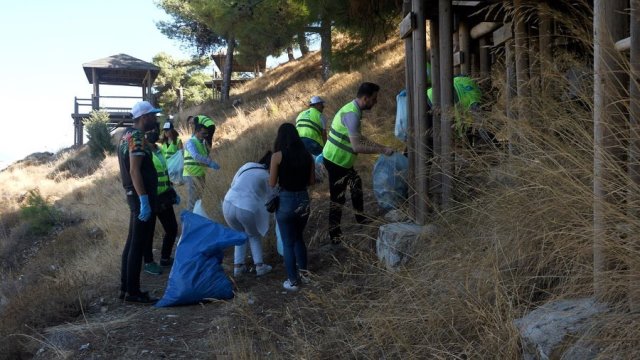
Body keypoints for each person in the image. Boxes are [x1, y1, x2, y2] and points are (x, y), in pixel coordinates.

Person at [322, 82, 393, 244]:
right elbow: (357, 146)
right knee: (338, 198)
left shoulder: (352, 109)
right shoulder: (352, 115)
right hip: (336, 161)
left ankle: (360, 218)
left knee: (356, 184)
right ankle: (334, 235)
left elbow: (359, 138)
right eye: (374, 99)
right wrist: (381, 150)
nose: (376, 102)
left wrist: (381, 146)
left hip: (340, 160)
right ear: (365, 98)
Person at [117, 101, 161, 304]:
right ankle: (133, 293)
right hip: (139, 195)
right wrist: (144, 199)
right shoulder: (136, 138)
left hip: (132, 194)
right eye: (153, 116)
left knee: (131, 242)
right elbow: (135, 170)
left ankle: (126, 288)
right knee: (138, 243)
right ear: (144, 117)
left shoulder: (125, 136)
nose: (155, 119)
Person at [270, 123, 315, 291]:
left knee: (288, 243)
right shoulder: (307, 155)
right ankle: (305, 274)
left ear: (280, 138)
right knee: (299, 238)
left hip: (286, 200)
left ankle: (293, 281)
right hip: (303, 199)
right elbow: (311, 182)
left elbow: (272, 183)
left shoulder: (277, 156)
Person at [222, 151, 275, 278]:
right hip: (246, 207)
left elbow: (233, 183)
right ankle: (260, 266)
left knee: (240, 235)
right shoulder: (267, 176)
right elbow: (271, 197)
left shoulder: (248, 165)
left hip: (228, 202)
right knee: (253, 235)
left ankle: (238, 267)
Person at [141, 124, 181, 276]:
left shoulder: (159, 149)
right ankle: (149, 262)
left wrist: (172, 190)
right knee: (148, 233)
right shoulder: (143, 152)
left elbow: (165, 171)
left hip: (164, 195)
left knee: (172, 229)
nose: (153, 133)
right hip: (151, 198)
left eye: (154, 130)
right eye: (149, 130)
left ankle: (165, 258)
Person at [183, 122, 220, 211]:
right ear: (197, 132)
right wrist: (210, 162)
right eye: (204, 133)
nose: (205, 135)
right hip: (191, 175)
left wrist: (210, 164)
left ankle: (197, 220)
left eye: (206, 134)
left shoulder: (202, 144)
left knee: (198, 201)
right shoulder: (190, 142)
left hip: (200, 175)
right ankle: (189, 223)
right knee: (193, 202)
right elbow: (195, 156)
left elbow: (203, 159)